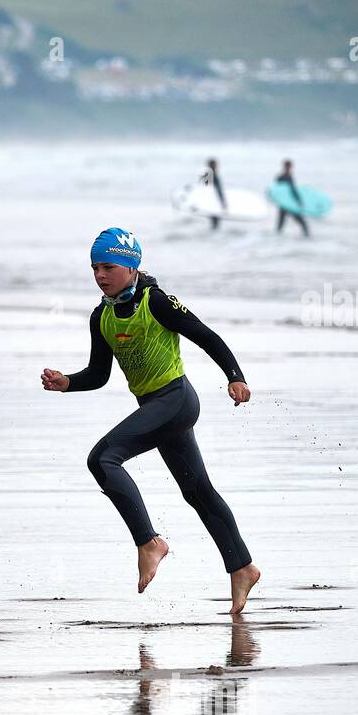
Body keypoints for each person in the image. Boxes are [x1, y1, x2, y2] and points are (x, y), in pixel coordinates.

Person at [40, 228, 260, 615]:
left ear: (130, 266)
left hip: (175, 400)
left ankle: (149, 542)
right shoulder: (102, 316)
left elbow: (206, 336)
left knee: (103, 459)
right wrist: (68, 383)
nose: (100, 275)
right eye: (94, 268)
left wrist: (235, 376)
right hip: (156, 408)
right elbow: (99, 373)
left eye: (108, 266)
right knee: (198, 492)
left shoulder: (156, 302)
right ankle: (243, 568)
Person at [275, 159, 309, 237]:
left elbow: (276, 191)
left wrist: (279, 201)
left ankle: (277, 240)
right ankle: (307, 238)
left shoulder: (279, 177)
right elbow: (293, 191)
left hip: (283, 204)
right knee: (303, 223)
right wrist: (299, 201)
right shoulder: (288, 177)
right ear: (289, 166)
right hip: (290, 204)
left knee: (280, 226)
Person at [203, 158, 226, 231]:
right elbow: (213, 189)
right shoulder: (210, 175)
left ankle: (213, 234)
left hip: (213, 201)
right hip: (214, 201)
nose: (217, 166)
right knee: (215, 220)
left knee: (214, 221)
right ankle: (214, 234)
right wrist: (222, 201)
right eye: (215, 164)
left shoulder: (209, 174)